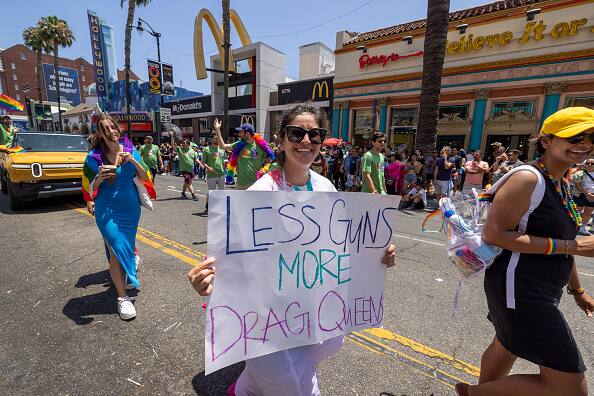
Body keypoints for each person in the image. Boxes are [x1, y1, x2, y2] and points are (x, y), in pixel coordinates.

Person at [187, 103, 396, 396]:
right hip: (265, 317)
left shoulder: (326, 188)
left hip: (310, 310)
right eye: (296, 133)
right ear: (282, 140)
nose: (306, 141)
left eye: (315, 134)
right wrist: (208, 278)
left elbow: (344, 243)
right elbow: (232, 255)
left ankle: (244, 388)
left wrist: (377, 254)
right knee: (290, 387)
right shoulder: (259, 194)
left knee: (301, 369)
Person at [457, 107, 594, 396]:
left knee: (506, 344)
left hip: (538, 288)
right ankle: (473, 394)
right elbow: (496, 234)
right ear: (546, 141)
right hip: (518, 289)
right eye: (575, 136)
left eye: (591, 138)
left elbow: (560, 241)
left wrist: (578, 291)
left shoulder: (562, 182)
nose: (584, 144)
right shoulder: (528, 179)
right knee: (569, 388)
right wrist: (574, 247)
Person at [82, 114, 155, 320]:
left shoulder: (130, 149)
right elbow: (88, 185)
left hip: (130, 208)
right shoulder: (94, 156)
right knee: (115, 248)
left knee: (125, 245)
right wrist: (98, 179)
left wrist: (133, 160)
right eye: (106, 129)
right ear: (100, 133)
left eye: (113, 127)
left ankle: (126, 272)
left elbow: (145, 176)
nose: (112, 131)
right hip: (107, 207)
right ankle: (122, 298)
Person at [213, 118, 273, 190]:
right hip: (241, 185)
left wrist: (265, 169)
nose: (239, 134)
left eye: (241, 132)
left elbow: (270, 160)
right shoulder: (239, 144)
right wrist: (217, 129)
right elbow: (222, 146)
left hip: (256, 185)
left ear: (247, 134)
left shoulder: (261, 146)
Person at [170, 133, 202, 201]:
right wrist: (172, 136)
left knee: (186, 182)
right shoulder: (179, 149)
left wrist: (201, 164)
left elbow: (195, 159)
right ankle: (193, 195)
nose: (183, 144)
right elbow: (173, 145)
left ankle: (183, 192)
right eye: (182, 143)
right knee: (189, 182)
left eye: (185, 143)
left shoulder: (192, 151)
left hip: (191, 169)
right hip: (184, 169)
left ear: (188, 144)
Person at [202, 132, 226, 211]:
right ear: (212, 139)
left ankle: (221, 207)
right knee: (211, 192)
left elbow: (223, 160)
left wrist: (225, 165)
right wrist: (208, 168)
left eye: (218, 138)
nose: (217, 140)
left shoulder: (222, 149)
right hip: (211, 175)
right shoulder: (207, 149)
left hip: (221, 175)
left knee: (222, 192)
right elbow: (203, 162)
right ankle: (208, 204)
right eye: (215, 138)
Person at [573, 157, 594, 236]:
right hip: (581, 194)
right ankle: (574, 225)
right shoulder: (579, 173)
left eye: (592, 163)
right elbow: (578, 185)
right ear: (585, 164)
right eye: (587, 163)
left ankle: (583, 227)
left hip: (592, 195)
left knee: (589, 210)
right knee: (577, 210)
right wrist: (587, 194)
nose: (589, 165)